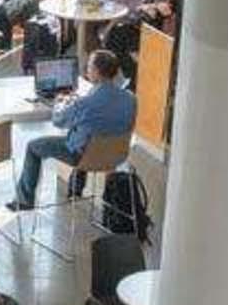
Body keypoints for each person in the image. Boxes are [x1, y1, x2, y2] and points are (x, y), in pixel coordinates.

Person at [8, 49, 135, 211]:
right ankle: (76, 188)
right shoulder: (130, 98)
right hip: (116, 155)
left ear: (96, 72)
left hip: (83, 156)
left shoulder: (86, 104)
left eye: (89, 66)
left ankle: (24, 200)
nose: (86, 69)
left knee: (33, 146)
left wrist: (59, 102)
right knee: (86, 133)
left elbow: (58, 120)